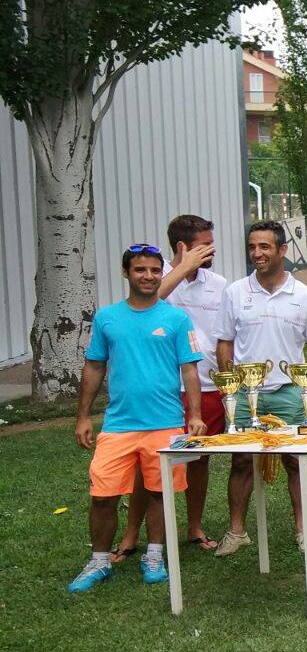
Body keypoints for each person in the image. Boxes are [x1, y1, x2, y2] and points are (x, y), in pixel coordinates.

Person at [69, 244, 206, 593]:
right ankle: (99, 562)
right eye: (140, 270)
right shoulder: (107, 318)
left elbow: (189, 370)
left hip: (166, 424)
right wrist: (83, 416)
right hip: (119, 425)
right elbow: (94, 367)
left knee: (161, 494)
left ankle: (154, 557)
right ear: (126, 273)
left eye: (155, 270)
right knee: (102, 495)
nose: (148, 276)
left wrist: (195, 415)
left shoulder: (176, 319)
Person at [114, 213, 231, 559]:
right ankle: (131, 535)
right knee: (147, 464)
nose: (212, 250)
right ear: (183, 247)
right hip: (163, 388)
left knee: (199, 460)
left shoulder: (219, 284)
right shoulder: (154, 276)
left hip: (207, 386)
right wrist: (181, 270)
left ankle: (194, 527)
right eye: (204, 245)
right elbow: (147, 305)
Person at [213, 220, 307, 555]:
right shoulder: (235, 292)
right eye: (252, 247)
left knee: (295, 461)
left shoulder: (305, 296)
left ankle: (304, 531)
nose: (257, 253)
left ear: (282, 250)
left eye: (264, 247)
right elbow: (224, 341)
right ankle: (237, 532)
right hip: (243, 395)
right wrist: (229, 387)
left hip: (288, 394)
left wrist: (305, 380)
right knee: (241, 461)